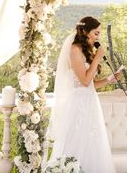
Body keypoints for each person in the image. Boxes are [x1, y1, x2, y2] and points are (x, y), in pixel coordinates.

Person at [48, 16, 122, 172]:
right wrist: (97, 58)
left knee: (92, 142)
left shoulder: (86, 50)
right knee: (77, 140)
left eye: (99, 34)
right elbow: (84, 81)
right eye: (96, 33)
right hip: (79, 104)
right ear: (85, 32)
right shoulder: (74, 50)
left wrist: (109, 79)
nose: (98, 37)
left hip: (90, 101)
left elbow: (92, 84)